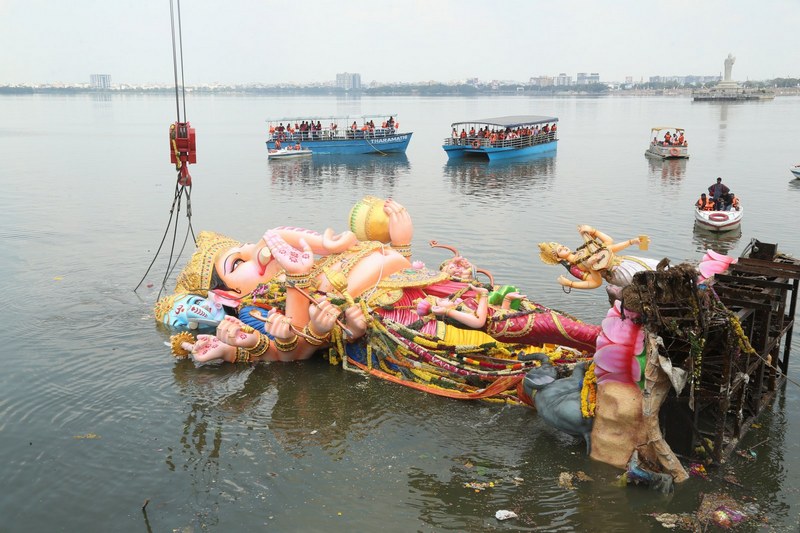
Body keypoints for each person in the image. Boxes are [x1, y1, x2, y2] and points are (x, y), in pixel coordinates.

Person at [159, 199, 602, 370]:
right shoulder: (265, 302)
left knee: (518, 307)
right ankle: (594, 356)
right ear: (228, 289)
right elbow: (292, 351)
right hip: (400, 318)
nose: (257, 252)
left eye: (249, 246)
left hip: (431, 285)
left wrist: (402, 246)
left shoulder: (321, 258)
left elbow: (385, 264)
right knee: (498, 340)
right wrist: (306, 323)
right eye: (237, 262)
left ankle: (603, 342)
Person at [538, 225, 658, 292]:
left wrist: (632, 241)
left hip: (625, 261)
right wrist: (571, 283)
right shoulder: (574, 268)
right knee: (651, 283)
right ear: (558, 258)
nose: (564, 247)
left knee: (657, 268)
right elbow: (596, 282)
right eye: (560, 250)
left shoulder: (582, 250)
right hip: (617, 273)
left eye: (562, 245)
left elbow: (609, 245)